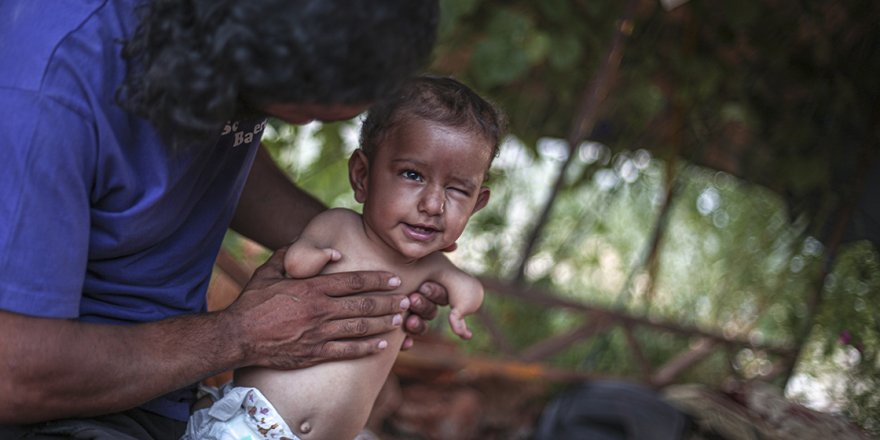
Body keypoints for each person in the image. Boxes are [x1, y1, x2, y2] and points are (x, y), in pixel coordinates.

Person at [0, 0, 448, 438]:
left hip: (162, 391)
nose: (307, 123)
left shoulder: (215, 41)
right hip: (56, 406)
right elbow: (15, 374)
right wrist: (240, 334)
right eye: (303, 108)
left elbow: (199, 145)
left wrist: (369, 255)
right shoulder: (47, 90)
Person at [183, 76, 506, 440]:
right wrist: (313, 256)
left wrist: (461, 307)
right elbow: (296, 262)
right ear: (362, 176)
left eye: (457, 190)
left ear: (477, 203)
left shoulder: (430, 267)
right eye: (412, 175)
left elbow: (467, 286)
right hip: (253, 427)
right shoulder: (338, 227)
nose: (433, 205)